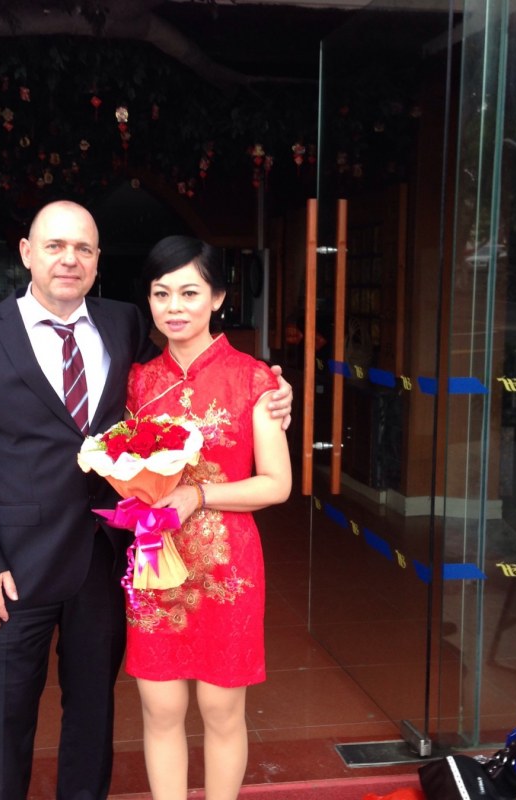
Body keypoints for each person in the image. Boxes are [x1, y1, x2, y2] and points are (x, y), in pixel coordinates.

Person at [0, 200, 293, 800]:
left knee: (94, 712)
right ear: (26, 253)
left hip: (110, 560)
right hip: (15, 566)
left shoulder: (122, 327)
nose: (68, 260)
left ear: (98, 261)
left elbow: (209, 387)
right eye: (54, 246)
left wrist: (275, 391)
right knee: (5, 716)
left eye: (83, 249)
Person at [124, 235, 292, 800]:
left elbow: (277, 483)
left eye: (190, 292)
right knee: (160, 708)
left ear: (218, 297)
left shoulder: (254, 380)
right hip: (156, 562)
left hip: (227, 565)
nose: (174, 306)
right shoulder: (138, 382)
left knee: (221, 710)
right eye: (161, 293)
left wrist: (197, 496)